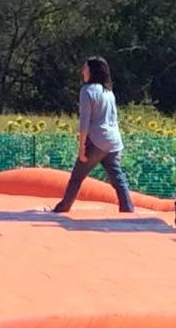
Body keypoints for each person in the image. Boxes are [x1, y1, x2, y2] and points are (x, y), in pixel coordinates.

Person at [52, 55, 134, 213]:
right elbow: (113, 117)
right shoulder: (109, 92)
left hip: (96, 139)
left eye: (85, 68)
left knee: (77, 177)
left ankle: (63, 208)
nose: (82, 71)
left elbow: (85, 122)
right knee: (118, 178)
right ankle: (128, 208)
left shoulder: (87, 91)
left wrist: (82, 147)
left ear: (92, 71)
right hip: (113, 141)